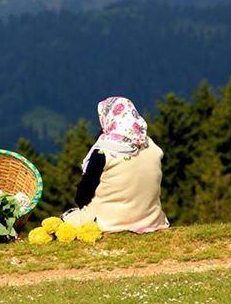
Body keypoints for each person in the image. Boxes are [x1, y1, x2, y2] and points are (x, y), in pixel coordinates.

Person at [62, 96, 170, 233]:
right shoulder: (151, 145)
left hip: (108, 223)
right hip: (151, 219)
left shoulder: (103, 152)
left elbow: (82, 196)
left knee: (66, 219)